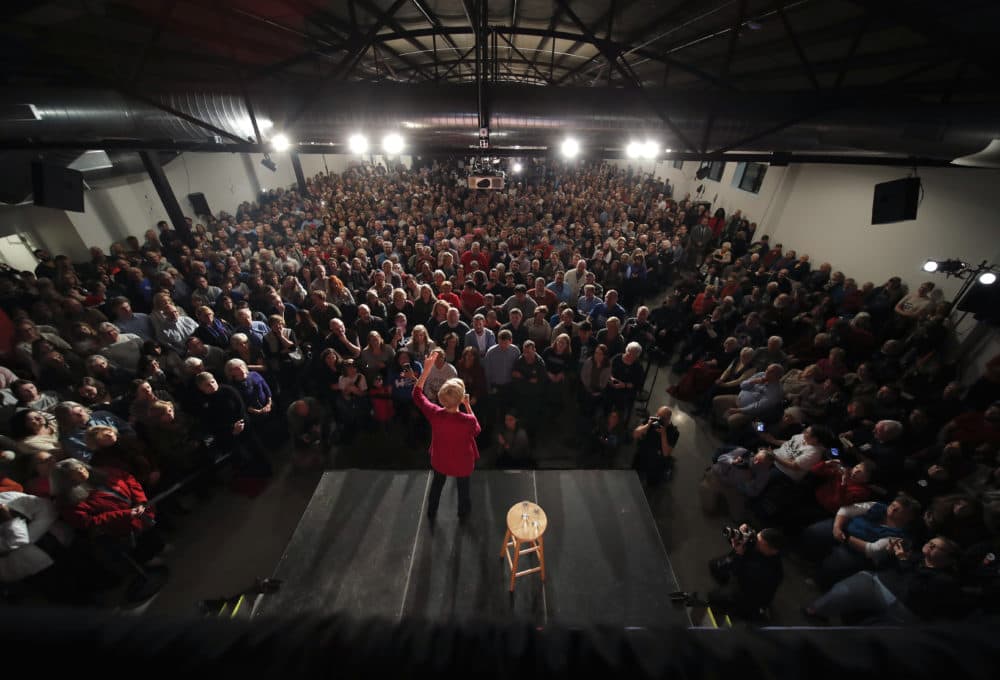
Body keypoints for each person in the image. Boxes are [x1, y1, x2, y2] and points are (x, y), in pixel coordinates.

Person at [411, 350, 481, 520]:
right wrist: (467, 406)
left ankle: (431, 512)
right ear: (460, 399)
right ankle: (463, 515)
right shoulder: (467, 420)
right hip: (463, 462)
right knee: (463, 489)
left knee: (437, 485)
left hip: (440, 460)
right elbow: (477, 429)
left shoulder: (435, 413)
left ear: (441, 398)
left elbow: (417, 394)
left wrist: (426, 369)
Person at [705, 525, 786, 620]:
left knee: (713, 597)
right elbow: (740, 546)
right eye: (757, 537)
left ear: (772, 550)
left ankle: (745, 612)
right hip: (744, 571)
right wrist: (737, 536)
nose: (755, 541)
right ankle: (727, 586)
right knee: (714, 565)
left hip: (750, 594)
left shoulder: (771, 572)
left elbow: (740, 573)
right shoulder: (759, 545)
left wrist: (739, 555)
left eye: (760, 543)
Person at [632, 406, 680, 484]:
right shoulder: (652, 421)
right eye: (658, 416)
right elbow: (635, 434)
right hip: (640, 459)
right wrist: (647, 425)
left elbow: (666, 453)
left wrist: (663, 434)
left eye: (662, 418)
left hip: (655, 465)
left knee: (649, 486)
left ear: (668, 419)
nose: (659, 419)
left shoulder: (674, 432)